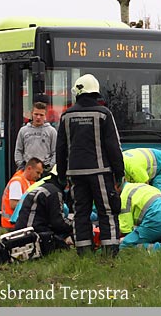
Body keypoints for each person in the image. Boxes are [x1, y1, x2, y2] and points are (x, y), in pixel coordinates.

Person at [56, 74, 124, 257]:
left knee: (80, 213)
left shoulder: (66, 116)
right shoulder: (104, 114)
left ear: (77, 92)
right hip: (100, 172)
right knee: (107, 211)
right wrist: (119, 174)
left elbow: (60, 149)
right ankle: (110, 253)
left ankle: (84, 252)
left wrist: (62, 176)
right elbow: (113, 146)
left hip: (75, 174)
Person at [13, 165, 74, 249]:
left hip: (21, 232)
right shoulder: (54, 192)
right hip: (34, 235)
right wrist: (75, 224)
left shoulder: (44, 187)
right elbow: (58, 223)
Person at [0, 157, 44, 230]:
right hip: (12, 224)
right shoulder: (17, 182)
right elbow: (13, 204)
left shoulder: (29, 181)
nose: (39, 176)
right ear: (29, 168)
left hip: (18, 223)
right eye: (37, 172)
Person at [14, 102, 57, 172]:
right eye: (36, 114)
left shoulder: (52, 131)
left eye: (41, 115)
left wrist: (49, 166)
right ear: (32, 114)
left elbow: (55, 152)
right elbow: (18, 150)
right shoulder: (23, 130)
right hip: (27, 170)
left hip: (45, 170)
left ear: (45, 115)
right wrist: (21, 166)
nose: (38, 117)